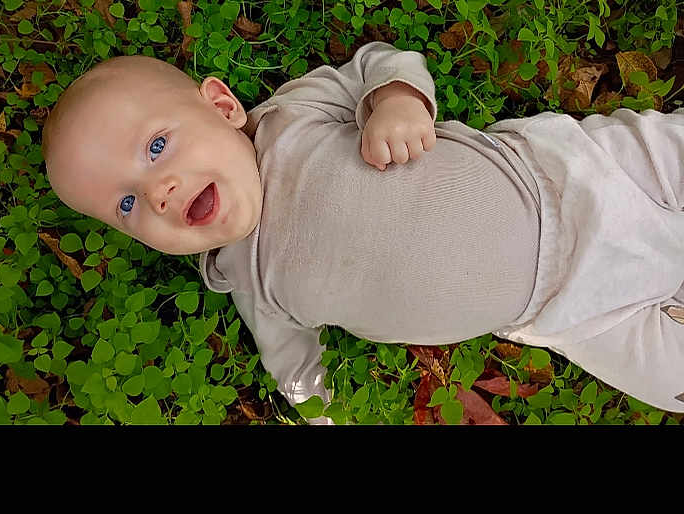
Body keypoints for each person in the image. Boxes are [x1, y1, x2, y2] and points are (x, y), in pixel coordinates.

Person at [42, 42, 684, 422]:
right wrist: (323, 410)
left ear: (222, 107)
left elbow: (379, 62)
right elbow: (292, 361)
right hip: (567, 308)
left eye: (158, 146)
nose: (159, 191)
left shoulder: (291, 117)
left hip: (572, 179)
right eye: (127, 204)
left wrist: (399, 100)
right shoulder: (251, 281)